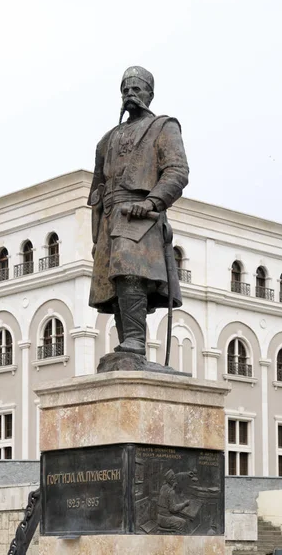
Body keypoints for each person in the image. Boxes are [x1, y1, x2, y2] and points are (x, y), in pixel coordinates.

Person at [88, 66, 189, 356]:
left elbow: (177, 171)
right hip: (111, 215)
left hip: (140, 214)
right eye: (125, 90)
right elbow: (98, 187)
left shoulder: (164, 126)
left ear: (150, 93)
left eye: (136, 89)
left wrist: (153, 202)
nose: (130, 94)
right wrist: (97, 230)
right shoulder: (106, 140)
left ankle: (135, 340)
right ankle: (129, 346)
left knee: (128, 271)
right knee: (112, 282)